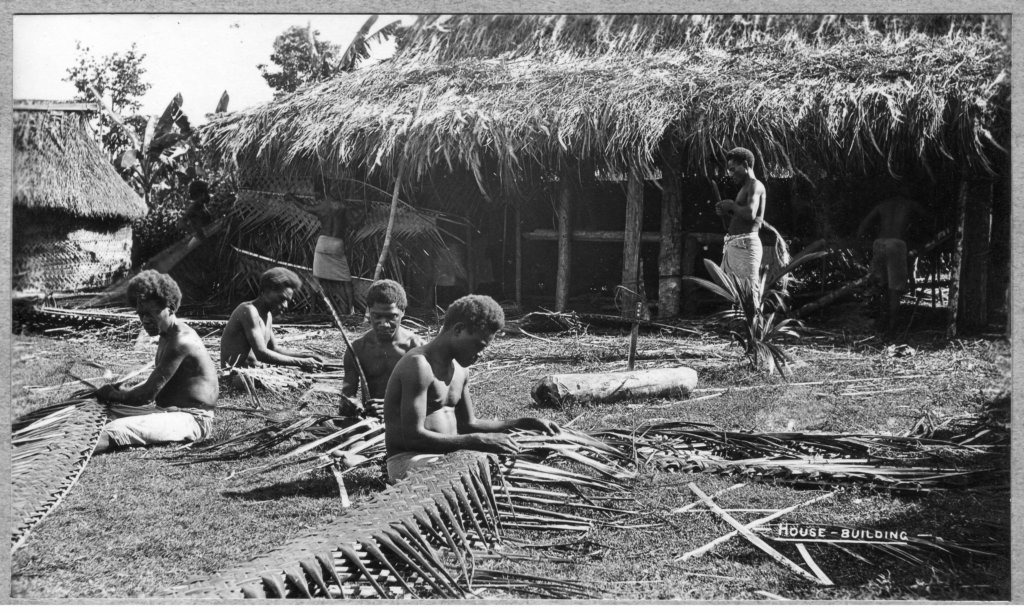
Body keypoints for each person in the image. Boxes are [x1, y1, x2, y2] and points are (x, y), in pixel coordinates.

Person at [382, 294, 561, 483]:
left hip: (449, 456)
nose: (481, 354)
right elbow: (412, 437)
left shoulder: (460, 370)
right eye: (479, 345)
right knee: (481, 475)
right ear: (458, 329)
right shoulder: (418, 365)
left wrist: (524, 423)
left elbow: (469, 424)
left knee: (518, 465)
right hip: (409, 460)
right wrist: (474, 441)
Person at [93, 271, 219, 452]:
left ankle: (65, 456)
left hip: (191, 419)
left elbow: (145, 395)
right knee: (102, 415)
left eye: (151, 314)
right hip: (168, 412)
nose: (144, 320)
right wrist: (120, 392)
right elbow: (158, 384)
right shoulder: (166, 335)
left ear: (170, 308)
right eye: (141, 314)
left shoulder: (181, 341)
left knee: (114, 430)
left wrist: (112, 394)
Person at [340, 279, 425, 417]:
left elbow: (431, 397)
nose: (384, 324)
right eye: (377, 316)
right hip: (372, 422)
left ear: (402, 312)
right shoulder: (358, 349)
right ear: (369, 312)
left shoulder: (417, 348)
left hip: (408, 421)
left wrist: (392, 407)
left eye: (391, 317)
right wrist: (353, 405)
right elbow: (347, 395)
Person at [220, 267, 325, 371]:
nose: (285, 305)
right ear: (266, 291)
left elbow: (274, 349)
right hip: (235, 376)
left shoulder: (268, 315)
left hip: (256, 373)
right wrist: (301, 362)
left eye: (288, 301)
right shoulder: (248, 311)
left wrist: (308, 356)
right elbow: (261, 354)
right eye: (282, 299)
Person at [856, 195, 926, 332]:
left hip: (879, 243)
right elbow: (926, 218)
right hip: (896, 244)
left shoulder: (883, 204)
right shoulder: (909, 203)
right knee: (895, 288)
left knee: (880, 284)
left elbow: (864, 223)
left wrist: (858, 242)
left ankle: (880, 322)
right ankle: (892, 327)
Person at [714, 147, 767, 304]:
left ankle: (752, 328)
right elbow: (742, 217)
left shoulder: (755, 186)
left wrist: (731, 205)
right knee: (734, 295)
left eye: (732, 169)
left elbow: (751, 214)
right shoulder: (745, 187)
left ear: (745, 164)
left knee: (749, 296)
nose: (730, 174)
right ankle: (739, 327)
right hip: (736, 245)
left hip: (745, 246)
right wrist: (727, 211)